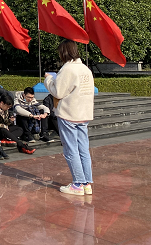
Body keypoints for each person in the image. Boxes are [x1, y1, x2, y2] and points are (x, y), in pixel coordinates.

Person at [44, 40, 94, 196]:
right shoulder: (85, 69)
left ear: (64, 52)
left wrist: (48, 80)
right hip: (83, 114)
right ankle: (86, 183)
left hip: (69, 114)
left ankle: (77, 184)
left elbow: (58, 92)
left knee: (71, 149)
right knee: (83, 149)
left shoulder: (67, 69)